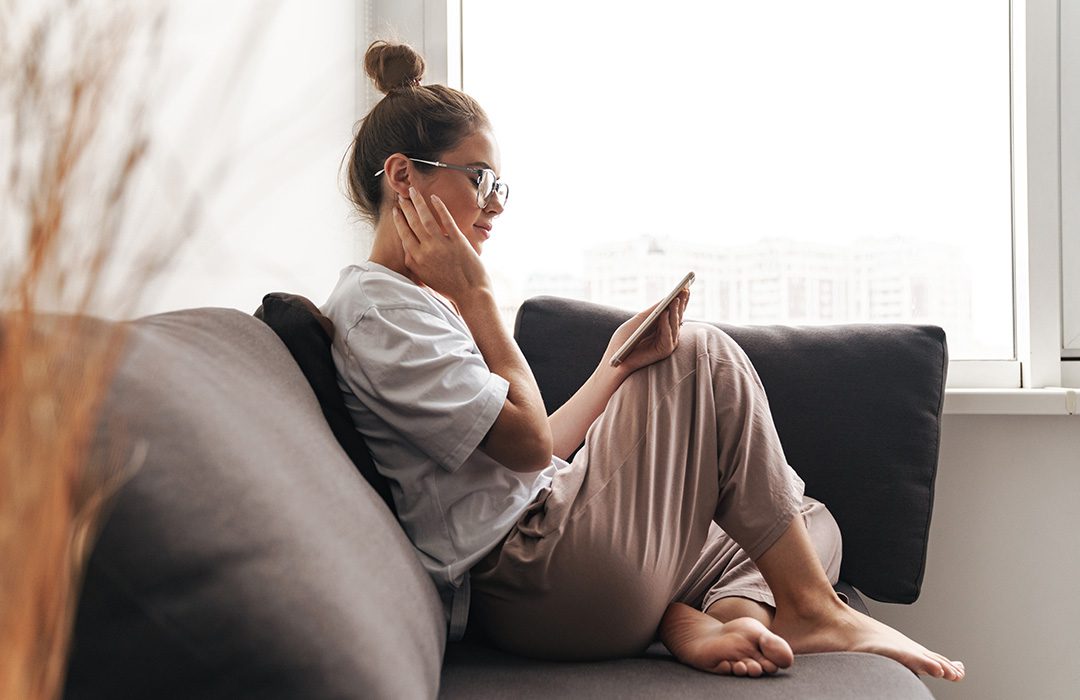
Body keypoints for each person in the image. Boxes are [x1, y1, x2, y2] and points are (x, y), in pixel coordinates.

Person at [322, 39, 965, 681]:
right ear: (405, 176)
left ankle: (719, 618)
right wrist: (480, 297)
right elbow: (522, 448)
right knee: (701, 353)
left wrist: (615, 366)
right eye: (480, 178)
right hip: (530, 579)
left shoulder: (417, 303)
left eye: (501, 186)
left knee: (802, 517)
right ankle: (811, 606)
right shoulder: (380, 311)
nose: (494, 203)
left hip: (557, 541)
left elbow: (536, 447)